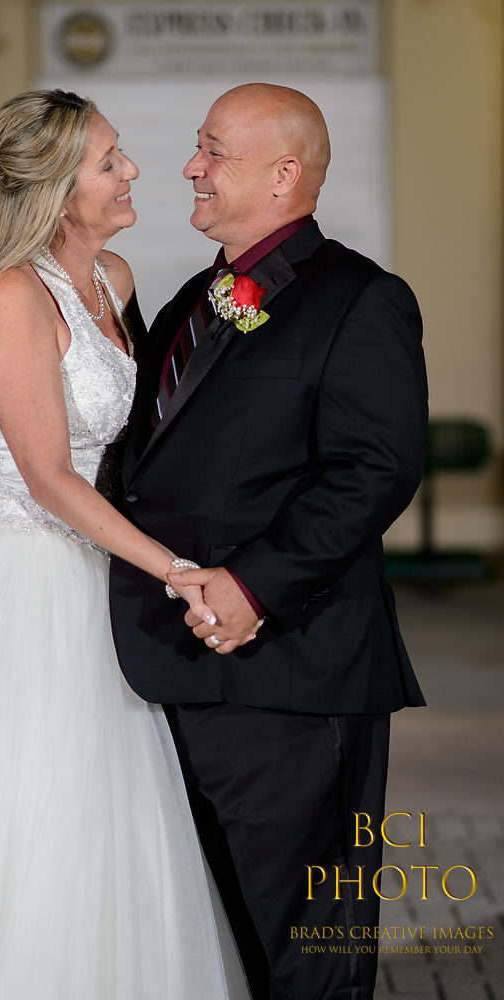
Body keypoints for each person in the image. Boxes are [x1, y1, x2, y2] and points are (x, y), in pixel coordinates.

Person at [0, 89, 250, 1000]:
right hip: (24, 579)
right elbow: (50, 478)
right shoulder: (10, 297)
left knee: (116, 807)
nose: (131, 170)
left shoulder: (116, 280)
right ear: (61, 191)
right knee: (30, 806)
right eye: (109, 161)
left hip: (106, 571)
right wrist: (176, 569)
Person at [109, 83, 428, 1000]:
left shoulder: (362, 300)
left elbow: (374, 470)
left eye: (214, 151)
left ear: (285, 175)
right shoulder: (193, 300)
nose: (190, 168)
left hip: (293, 673)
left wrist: (253, 585)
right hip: (171, 665)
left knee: (308, 949)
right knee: (219, 940)